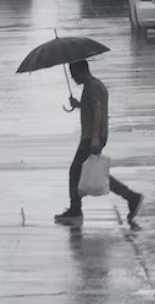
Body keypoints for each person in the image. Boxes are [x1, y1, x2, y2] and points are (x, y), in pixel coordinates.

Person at [55, 60, 144, 225]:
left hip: (92, 137)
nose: (73, 79)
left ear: (82, 72)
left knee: (77, 171)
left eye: (74, 75)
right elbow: (92, 107)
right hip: (93, 136)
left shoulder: (93, 87)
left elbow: (98, 110)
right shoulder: (94, 85)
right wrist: (79, 105)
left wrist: (95, 137)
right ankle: (131, 197)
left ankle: (76, 210)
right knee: (91, 173)